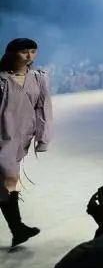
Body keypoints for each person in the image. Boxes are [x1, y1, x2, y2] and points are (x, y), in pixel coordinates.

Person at [0, 38, 51, 249]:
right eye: (24, 51)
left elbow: (43, 107)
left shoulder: (38, 78)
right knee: (9, 180)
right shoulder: (2, 79)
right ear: (12, 53)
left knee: (6, 184)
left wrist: (43, 137)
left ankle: (17, 229)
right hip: (2, 136)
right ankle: (18, 228)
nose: (29, 56)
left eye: (33, 51)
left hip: (21, 138)